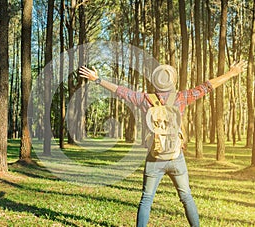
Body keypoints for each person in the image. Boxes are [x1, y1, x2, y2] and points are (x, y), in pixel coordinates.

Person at [79, 61, 246, 227]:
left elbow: (122, 91)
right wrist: (231, 73)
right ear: (172, 81)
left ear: (155, 82)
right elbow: (206, 87)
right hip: (176, 157)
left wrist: (98, 79)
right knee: (186, 197)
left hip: (154, 157)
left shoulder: (145, 99)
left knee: (146, 199)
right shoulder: (181, 97)